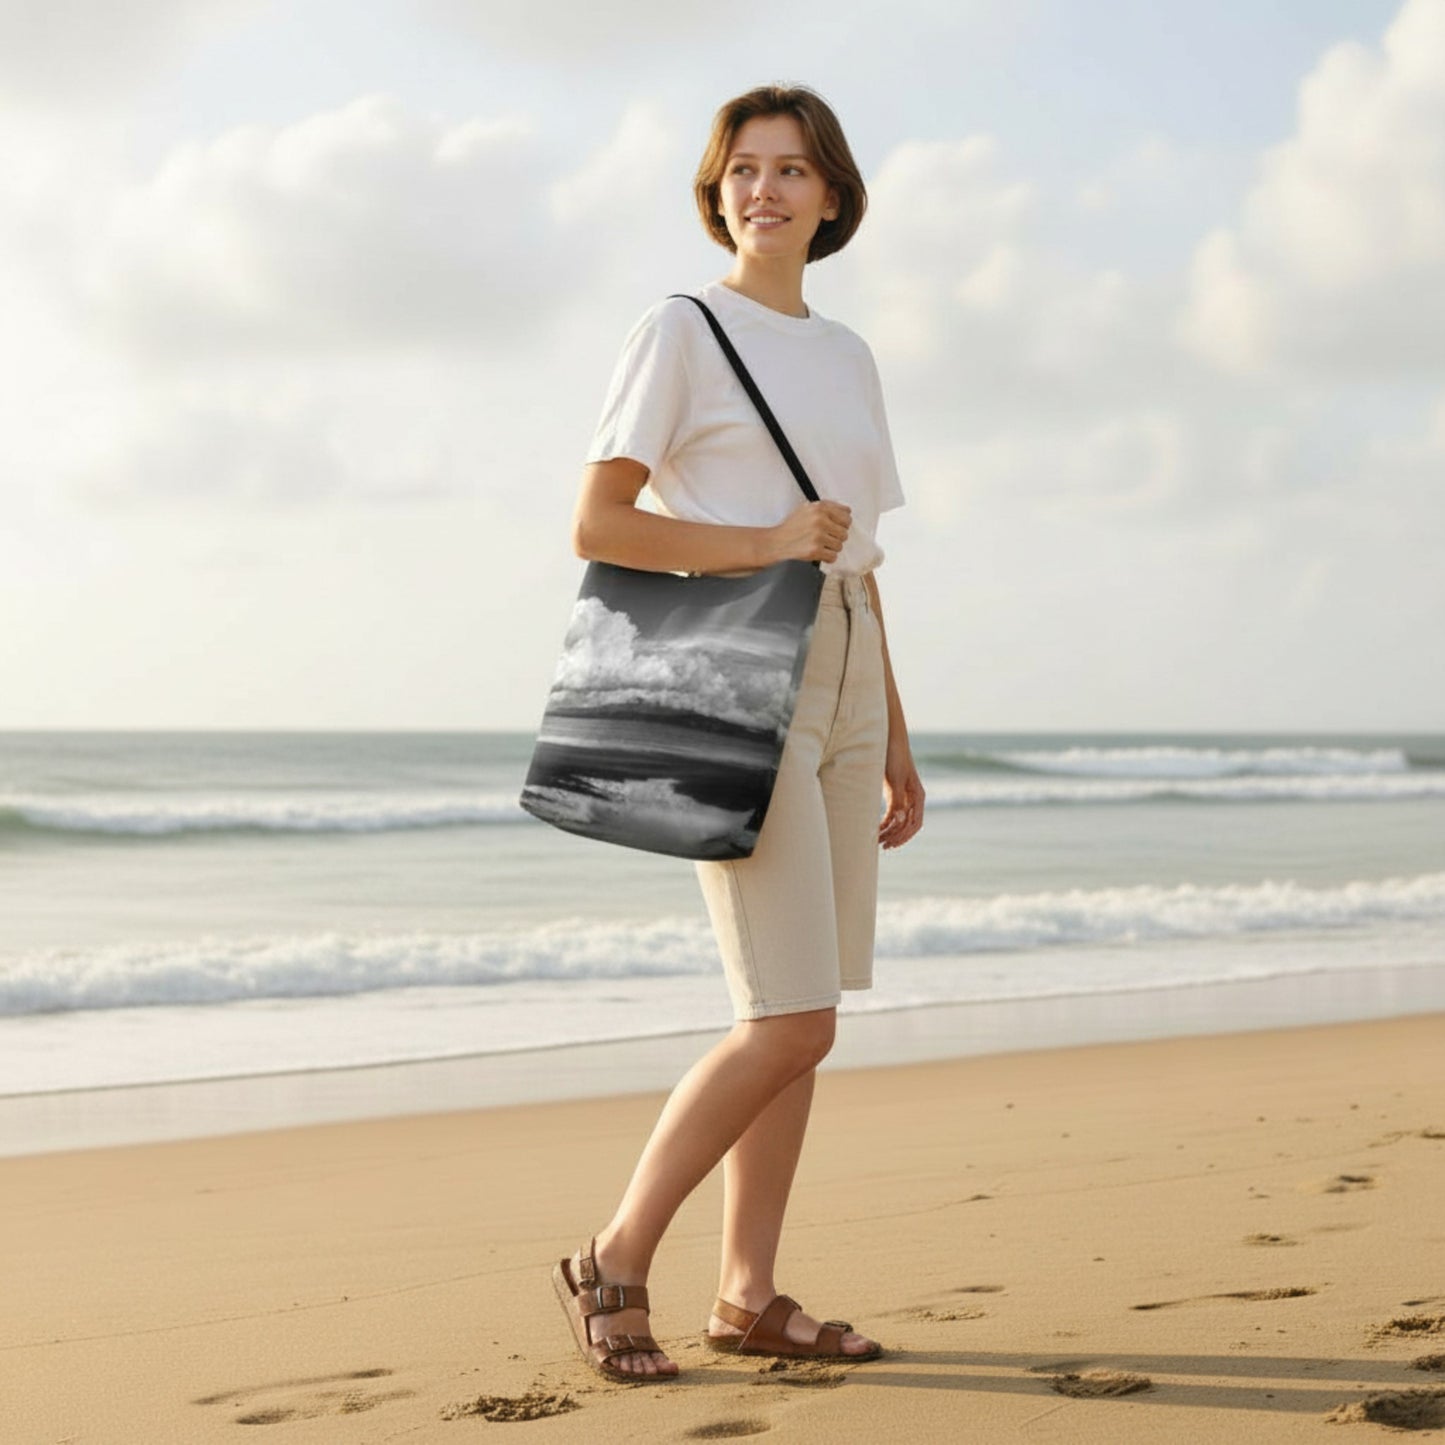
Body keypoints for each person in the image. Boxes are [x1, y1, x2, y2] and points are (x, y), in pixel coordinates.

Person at [551, 83, 925, 1384]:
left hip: (844, 674)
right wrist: (762, 540)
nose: (761, 189)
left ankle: (747, 1290)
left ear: (831, 196)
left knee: (805, 1006)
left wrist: (892, 733)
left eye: (791, 170)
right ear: (716, 192)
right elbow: (600, 523)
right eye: (741, 169)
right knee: (791, 1016)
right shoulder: (681, 329)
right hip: (740, 671)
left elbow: (859, 558)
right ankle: (615, 1254)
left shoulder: (847, 355)